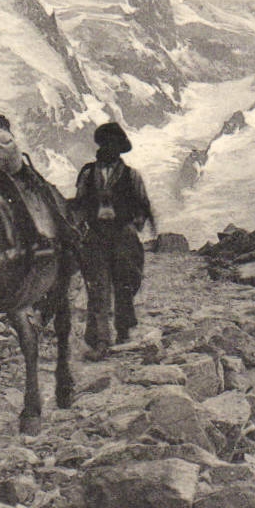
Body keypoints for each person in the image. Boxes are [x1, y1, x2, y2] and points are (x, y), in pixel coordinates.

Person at [71, 122, 156, 354]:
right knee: (97, 286)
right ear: (100, 146)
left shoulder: (131, 175)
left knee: (125, 282)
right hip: (95, 235)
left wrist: (133, 225)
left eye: (114, 144)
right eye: (106, 143)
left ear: (120, 148)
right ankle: (99, 339)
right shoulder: (88, 173)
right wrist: (80, 227)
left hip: (122, 236)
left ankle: (124, 329)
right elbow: (78, 203)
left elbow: (143, 204)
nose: (110, 148)